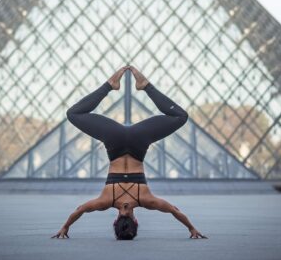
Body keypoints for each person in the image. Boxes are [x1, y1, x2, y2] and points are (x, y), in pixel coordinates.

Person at [51, 65, 207, 240]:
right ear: (114, 222)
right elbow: (80, 210)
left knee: (180, 117)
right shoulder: (106, 200)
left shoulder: (146, 199)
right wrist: (65, 227)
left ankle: (145, 85)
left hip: (138, 141)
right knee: (73, 114)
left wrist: (191, 228)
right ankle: (110, 85)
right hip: (114, 140)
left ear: (136, 222)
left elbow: (174, 210)